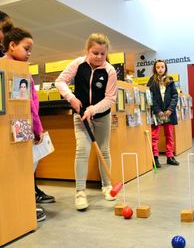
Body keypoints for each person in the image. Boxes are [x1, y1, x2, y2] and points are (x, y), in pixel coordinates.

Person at [55, 33, 117, 210]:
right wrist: (71, 98)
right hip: (80, 116)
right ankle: (80, 192)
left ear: (106, 53)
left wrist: (93, 109)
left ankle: (107, 186)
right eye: (95, 53)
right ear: (87, 50)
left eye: (102, 54)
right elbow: (60, 82)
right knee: (82, 150)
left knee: (104, 150)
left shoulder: (110, 71)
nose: (98, 57)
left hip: (102, 116)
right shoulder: (78, 64)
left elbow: (110, 98)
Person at [2, 27, 55, 221]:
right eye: (26, 48)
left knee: (20, 170)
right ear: (12, 45)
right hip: (22, 126)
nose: (29, 53)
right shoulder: (16, 69)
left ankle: (21, 207)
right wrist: (37, 128)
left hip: (16, 126)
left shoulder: (11, 67)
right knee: (23, 170)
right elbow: (28, 104)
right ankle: (24, 208)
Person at [147, 60, 179, 168]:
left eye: (162, 67)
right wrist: (157, 111)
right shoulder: (151, 81)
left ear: (165, 68)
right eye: (158, 67)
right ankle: (155, 158)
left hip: (168, 113)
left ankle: (170, 157)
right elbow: (150, 97)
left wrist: (170, 109)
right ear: (155, 69)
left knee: (169, 135)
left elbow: (175, 96)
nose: (160, 69)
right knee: (154, 136)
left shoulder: (170, 80)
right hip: (157, 114)